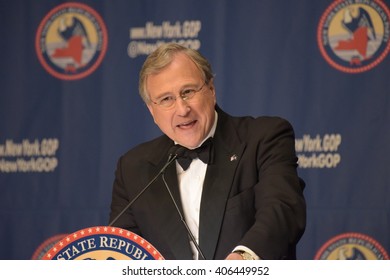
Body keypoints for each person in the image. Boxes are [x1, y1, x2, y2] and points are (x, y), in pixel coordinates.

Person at [109, 43, 306, 260]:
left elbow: (282, 210)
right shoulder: (133, 169)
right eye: (166, 99)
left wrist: (243, 260)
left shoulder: (263, 137)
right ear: (152, 111)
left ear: (211, 90)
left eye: (188, 92)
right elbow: (121, 252)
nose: (182, 109)